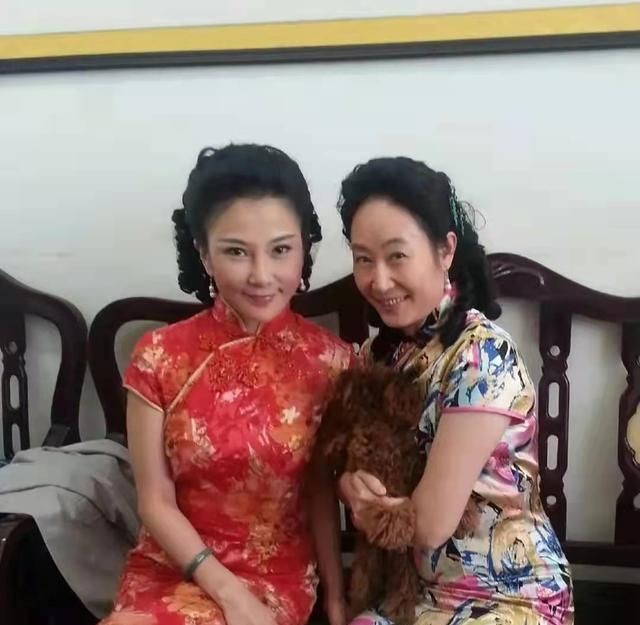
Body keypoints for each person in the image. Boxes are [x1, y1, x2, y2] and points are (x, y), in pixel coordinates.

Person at [100, 144, 352, 625]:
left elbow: (322, 493)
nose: (261, 276)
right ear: (203, 253)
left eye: (280, 250)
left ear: (304, 247)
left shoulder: (332, 363)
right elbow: (154, 501)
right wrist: (230, 596)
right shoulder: (158, 356)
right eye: (236, 252)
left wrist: (337, 601)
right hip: (171, 568)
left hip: (274, 579)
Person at [336, 157, 574, 625]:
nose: (378, 281)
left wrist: (365, 509)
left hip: (507, 595)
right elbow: (355, 462)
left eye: (396, 256)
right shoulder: (379, 355)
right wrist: (349, 486)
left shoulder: (482, 355)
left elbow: (429, 525)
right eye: (363, 258)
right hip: (411, 591)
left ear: (445, 250)